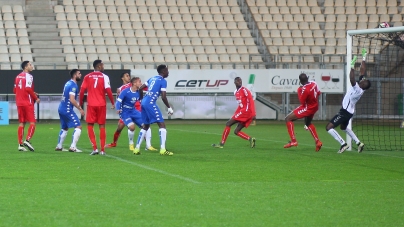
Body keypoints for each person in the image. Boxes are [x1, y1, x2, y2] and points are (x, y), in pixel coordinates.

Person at [326, 48, 371, 153]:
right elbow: (362, 71)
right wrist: (363, 57)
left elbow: (351, 79)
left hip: (345, 112)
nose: (363, 80)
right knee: (343, 128)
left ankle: (343, 144)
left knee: (329, 127)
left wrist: (351, 66)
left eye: (364, 81)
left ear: (363, 85)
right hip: (350, 112)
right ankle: (359, 143)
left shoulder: (358, 88)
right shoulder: (361, 86)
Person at [105, 73, 157, 151]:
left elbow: (147, 90)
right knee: (121, 128)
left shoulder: (139, 89)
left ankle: (148, 145)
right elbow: (119, 100)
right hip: (125, 111)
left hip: (135, 110)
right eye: (127, 76)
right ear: (122, 78)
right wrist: (118, 108)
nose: (129, 77)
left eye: (129, 76)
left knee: (146, 125)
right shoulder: (122, 89)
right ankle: (116, 143)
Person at [134, 64, 174, 156]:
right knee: (162, 124)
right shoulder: (163, 81)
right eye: (167, 70)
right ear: (163, 71)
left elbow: (140, 88)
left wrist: (141, 100)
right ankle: (163, 149)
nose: (168, 72)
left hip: (144, 102)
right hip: (150, 103)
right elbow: (163, 97)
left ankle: (136, 149)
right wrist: (169, 107)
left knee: (145, 126)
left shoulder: (152, 78)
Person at [79, 60, 115, 155]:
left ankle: (95, 148)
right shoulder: (105, 77)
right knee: (102, 126)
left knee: (90, 125)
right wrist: (112, 102)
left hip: (91, 104)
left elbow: (82, 91)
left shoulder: (87, 76)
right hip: (101, 104)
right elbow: (108, 90)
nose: (103, 67)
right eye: (102, 65)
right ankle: (102, 150)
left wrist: (80, 103)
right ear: (98, 66)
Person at [212, 77, 256, 148]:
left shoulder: (244, 90)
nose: (240, 82)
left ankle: (221, 144)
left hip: (246, 111)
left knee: (228, 123)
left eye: (240, 81)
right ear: (235, 83)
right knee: (236, 131)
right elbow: (240, 104)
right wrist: (236, 113)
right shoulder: (235, 92)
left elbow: (251, 100)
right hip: (243, 111)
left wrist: (254, 113)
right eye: (238, 81)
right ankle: (251, 139)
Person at [284, 73, 323, 152]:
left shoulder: (303, 89)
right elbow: (319, 93)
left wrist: (299, 90)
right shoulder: (314, 83)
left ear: (300, 81)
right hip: (315, 106)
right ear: (307, 78)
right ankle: (317, 142)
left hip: (307, 107)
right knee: (308, 123)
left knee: (288, 119)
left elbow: (302, 101)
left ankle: (293, 141)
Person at [55, 69, 85, 152]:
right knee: (78, 126)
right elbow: (72, 99)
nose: (80, 75)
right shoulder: (73, 85)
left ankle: (59, 146)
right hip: (67, 109)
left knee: (65, 127)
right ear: (75, 75)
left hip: (61, 108)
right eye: (79, 73)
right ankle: (73, 147)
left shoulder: (68, 83)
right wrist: (80, 109)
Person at [14, 61, 40, 152]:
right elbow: (28, 88)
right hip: (27, 102)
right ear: (25, 67)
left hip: (19, 102)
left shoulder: (17, 76)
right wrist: (35, 97)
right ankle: (27, 140)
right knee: (32, 122)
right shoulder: (29, 76)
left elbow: (15, 90)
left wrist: (30, 93)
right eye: (30, 65)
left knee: (22, 123)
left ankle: (20, 144)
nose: (31, 66)